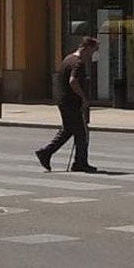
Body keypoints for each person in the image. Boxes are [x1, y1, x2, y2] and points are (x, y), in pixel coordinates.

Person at [35, 37, 99, 173]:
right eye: (93, 50)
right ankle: (80, 163)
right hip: (72, 103)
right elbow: (73, 81)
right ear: (86, 48)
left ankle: (46, 153)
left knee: (68, 130)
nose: (93, 54)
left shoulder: (68, 59)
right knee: (82, 133)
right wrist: (84, 98)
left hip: (63, 101)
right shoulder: (78, 63)